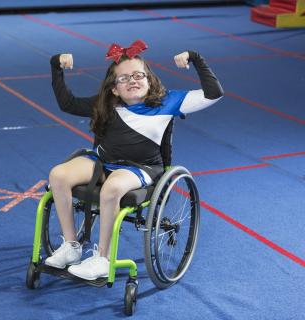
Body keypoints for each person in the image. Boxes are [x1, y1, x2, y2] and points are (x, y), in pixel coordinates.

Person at [44, 39, 224, 280]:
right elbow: (67, 103)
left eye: (139, 75)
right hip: (103, 163)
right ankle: (71, 246)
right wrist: (56, 66)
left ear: (149, 81)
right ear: (114, 88)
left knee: (113, 187)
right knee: (58, 174)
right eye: (124, 78)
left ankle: (102, 259)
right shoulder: (106, 103)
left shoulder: (168, 102)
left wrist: (196, 58)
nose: (133, 81)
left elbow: (214, 93)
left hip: (143, 168)